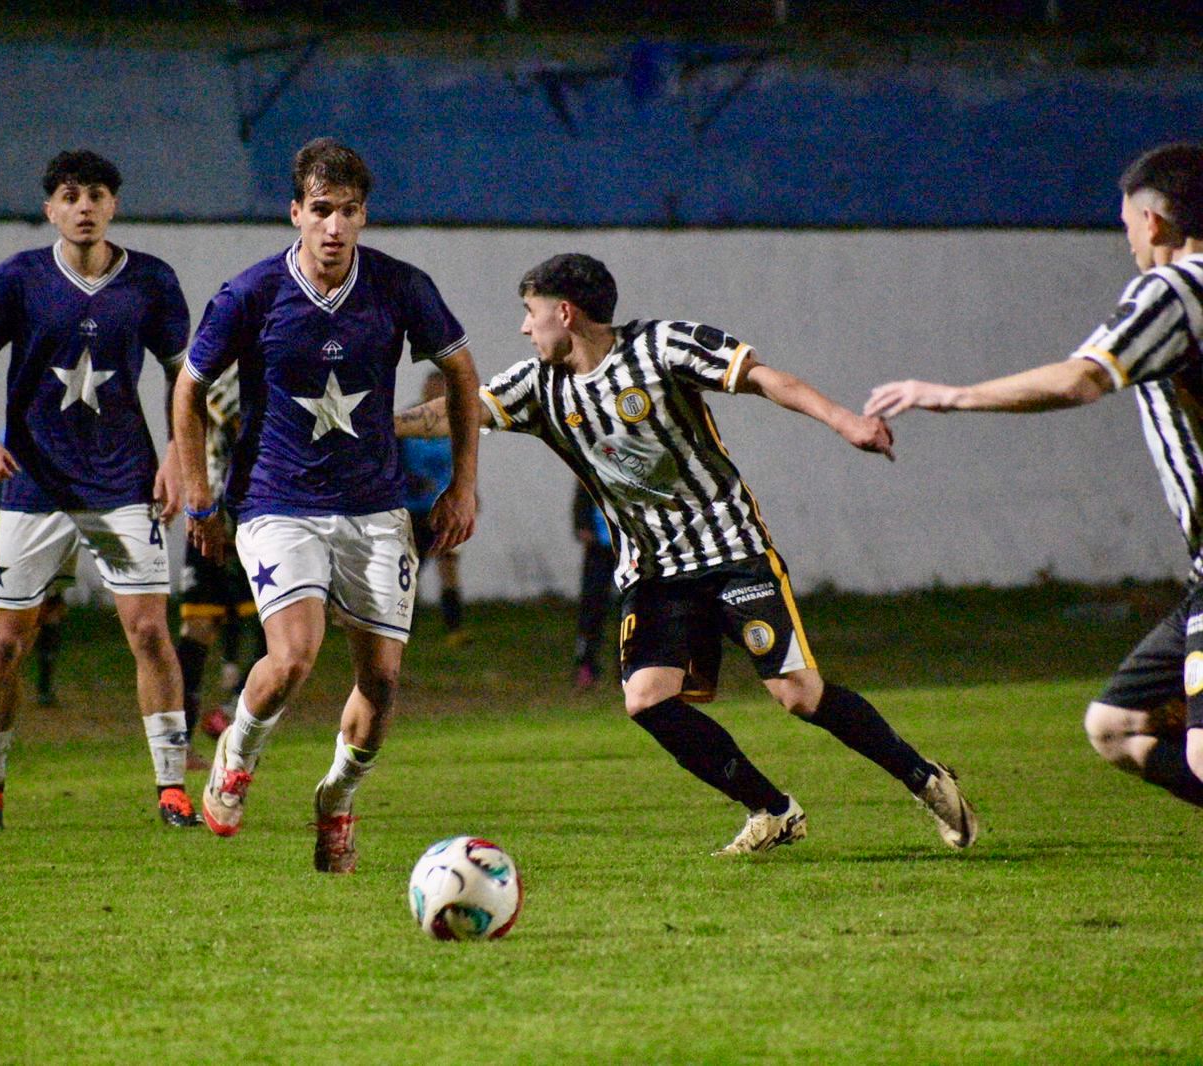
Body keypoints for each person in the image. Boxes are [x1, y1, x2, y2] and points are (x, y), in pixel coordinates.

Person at [395, 252, 978, 855]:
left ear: (564, 312)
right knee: (646, 699)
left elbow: (763, 378)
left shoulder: (661, 346)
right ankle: (773, 810)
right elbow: (452, 412)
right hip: (651, 572)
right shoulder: (538, 384)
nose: (524, 327)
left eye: (530, 312)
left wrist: (844, 421)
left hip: (730, 551)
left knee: (799, 694)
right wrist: (378, 425)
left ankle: (926, 779)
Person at [173, 137, 481, 872]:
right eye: (320, 210)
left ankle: (336, 800)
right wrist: (199, 496)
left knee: (382, 682)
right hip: (277, 501)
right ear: (295, 213)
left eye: (347, 210)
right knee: (294, 656)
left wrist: (462, 484)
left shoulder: (401, 287)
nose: (334, 226)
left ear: (364, 214)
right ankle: (236, 756)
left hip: (376, 508)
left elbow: (463, 377)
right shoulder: (251, 294)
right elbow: (189, 389)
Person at [865, 142, 1203, 811]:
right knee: (1117, 727)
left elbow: (1082, 379)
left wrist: (951, 395)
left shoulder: (1174, 288)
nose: (1128, 241)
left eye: (1128, 224)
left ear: (1154, 221)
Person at [0, 149, 201, 831]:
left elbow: (185, 377)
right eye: (70, 196)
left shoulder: (151, 280)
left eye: (95, 194)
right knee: (8, 641)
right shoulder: (20, 278)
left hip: (122, 482)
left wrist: (176, 455)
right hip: (34, 485)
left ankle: (172, 789)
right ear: (50, 210)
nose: (84, 206)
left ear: (113, 205)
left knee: (149, 632)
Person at [173, 363, 262, 760]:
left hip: (246, 521)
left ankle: (231, 713)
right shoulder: (227, 381)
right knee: (198, 629)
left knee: (276, 629)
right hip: (217, 520)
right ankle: (181, 743)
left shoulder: (250, 373)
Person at [399, 371, 470, 644]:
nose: (435, 392)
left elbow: (463, 462)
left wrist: (469, 493)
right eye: (432, 387)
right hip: (413, 508)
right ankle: (405, 626)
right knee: (409, 566)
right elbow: (392, 462)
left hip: (446, 508)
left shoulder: (455, 421)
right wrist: (412, 481)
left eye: (441, 388)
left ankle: (454, 628)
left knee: (449, 564)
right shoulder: (407, 420)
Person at [571, 480, 616, 691]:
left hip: (629, 547)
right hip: (598, 546)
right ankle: (586, 665)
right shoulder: (594, 465)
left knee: (633, 608)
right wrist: (582, 524)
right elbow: (582, 493)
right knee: (592, 606)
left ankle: (630, 668)